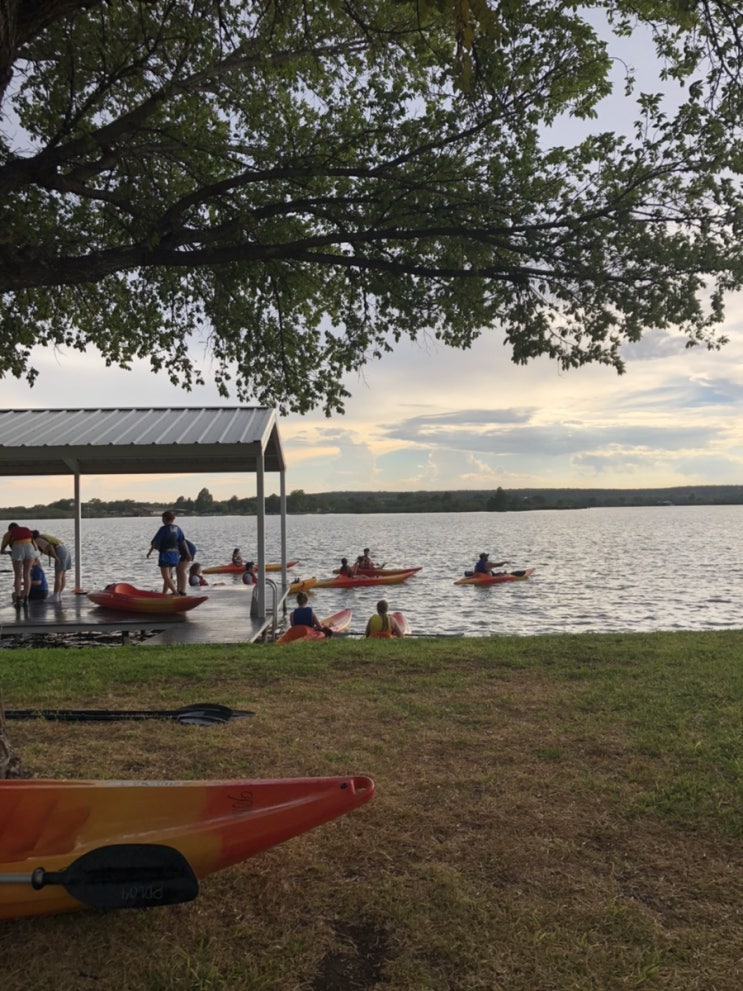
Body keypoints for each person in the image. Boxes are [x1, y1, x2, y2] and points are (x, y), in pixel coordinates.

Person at [146, 511, 191, 595]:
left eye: (162, 518)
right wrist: (188, 553)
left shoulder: (163, 529)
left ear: (165, 519)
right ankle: (164, 594)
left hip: (165, 555)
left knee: (165, 577)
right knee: (168, 576)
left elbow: (155, 542)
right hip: (175, 555)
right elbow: (183, 541)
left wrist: (150, 552)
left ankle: (176, 593)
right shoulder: (177, 528)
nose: (162, 520)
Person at [1, 522, 37, 606]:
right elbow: (35, 548)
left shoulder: (9, 533)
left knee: (18, 575)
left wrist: (6, 552)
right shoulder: (27, 531)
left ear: (10, 529)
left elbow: (2, 550)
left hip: (17, 548)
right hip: (29, 548)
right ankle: (26, 599)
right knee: (27, 574)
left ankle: (17, 599)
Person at [32, 530, 72, 600]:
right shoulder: (42, 538)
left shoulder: (37, 540)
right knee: (63, 575)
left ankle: (55, 596)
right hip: (65, 550)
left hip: (60, 551)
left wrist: (56, 558)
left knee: (58, 575)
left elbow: (50, 546)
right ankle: (58, 595)